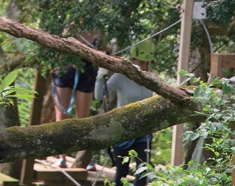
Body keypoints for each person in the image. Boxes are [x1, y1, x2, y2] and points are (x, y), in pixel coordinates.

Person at [95, 41, 156, 185]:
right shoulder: (121, 76)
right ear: (134, 60)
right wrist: (101, 75)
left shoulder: (151, 76)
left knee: (142, 174)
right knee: (121, 174)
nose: (144, 66)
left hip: (144, 130)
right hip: (123, 130)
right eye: (141, 62)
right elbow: (99, 96)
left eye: (147, 63)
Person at [51, 29, 101, 168]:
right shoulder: (68, 23)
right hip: (65, 69)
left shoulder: (97, 28)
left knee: (83, 118)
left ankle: (85, 158)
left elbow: (105, 48)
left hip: (87, 72)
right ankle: (62, 158)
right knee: (62, 115)